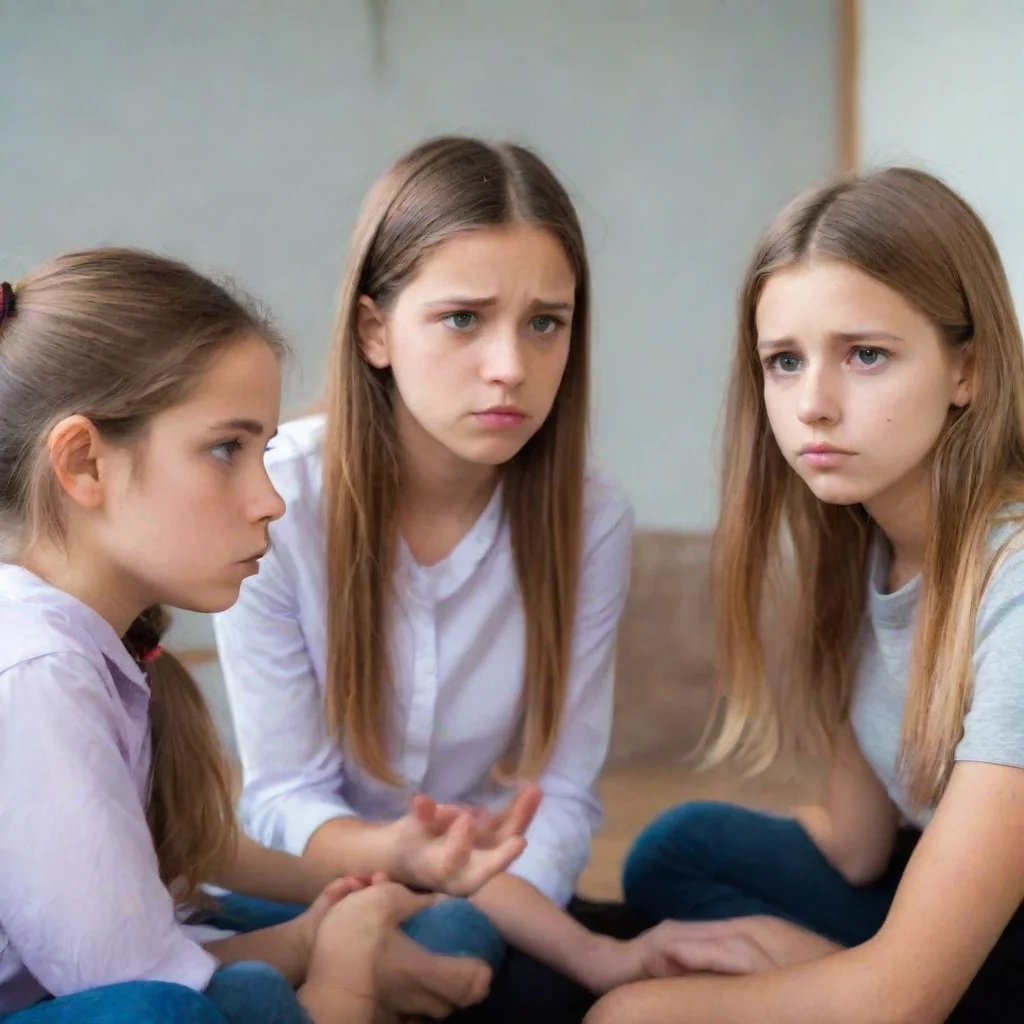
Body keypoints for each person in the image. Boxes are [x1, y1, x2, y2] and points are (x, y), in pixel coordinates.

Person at [213, 135, 683, 1020]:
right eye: (464, 319)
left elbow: (559, 790)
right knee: (222, 948)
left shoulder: (592, 520)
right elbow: (283, 794)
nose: (510, 365)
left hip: (485, 892)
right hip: (307, 875)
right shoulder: (277, 495)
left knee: (476, 951)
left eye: (545, 322)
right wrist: (393, 875)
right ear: (374, 330)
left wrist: (460, 899)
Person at [0, 249, 494, 1023]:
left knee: (447, 928)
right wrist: (325, 960)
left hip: (103, 977)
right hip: (114, 993)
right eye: (226, 449)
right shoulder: (35, 667)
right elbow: (128, 985)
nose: (269, 501)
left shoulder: (91, 640)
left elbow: (171, 858)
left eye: (263, 453)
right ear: (85, 462)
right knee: (181, 1012)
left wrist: (369, 882)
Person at [588, 167, 1024, 1022]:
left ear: (965, 369)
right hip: (947, 911)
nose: (813, 405)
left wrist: (650, 1009)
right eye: (784, 362)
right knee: (679, 855)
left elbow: (901, 996)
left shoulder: (1013, 583)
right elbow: (861, 845)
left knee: (626, 1018)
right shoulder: (867, 539)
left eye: (866, 355)